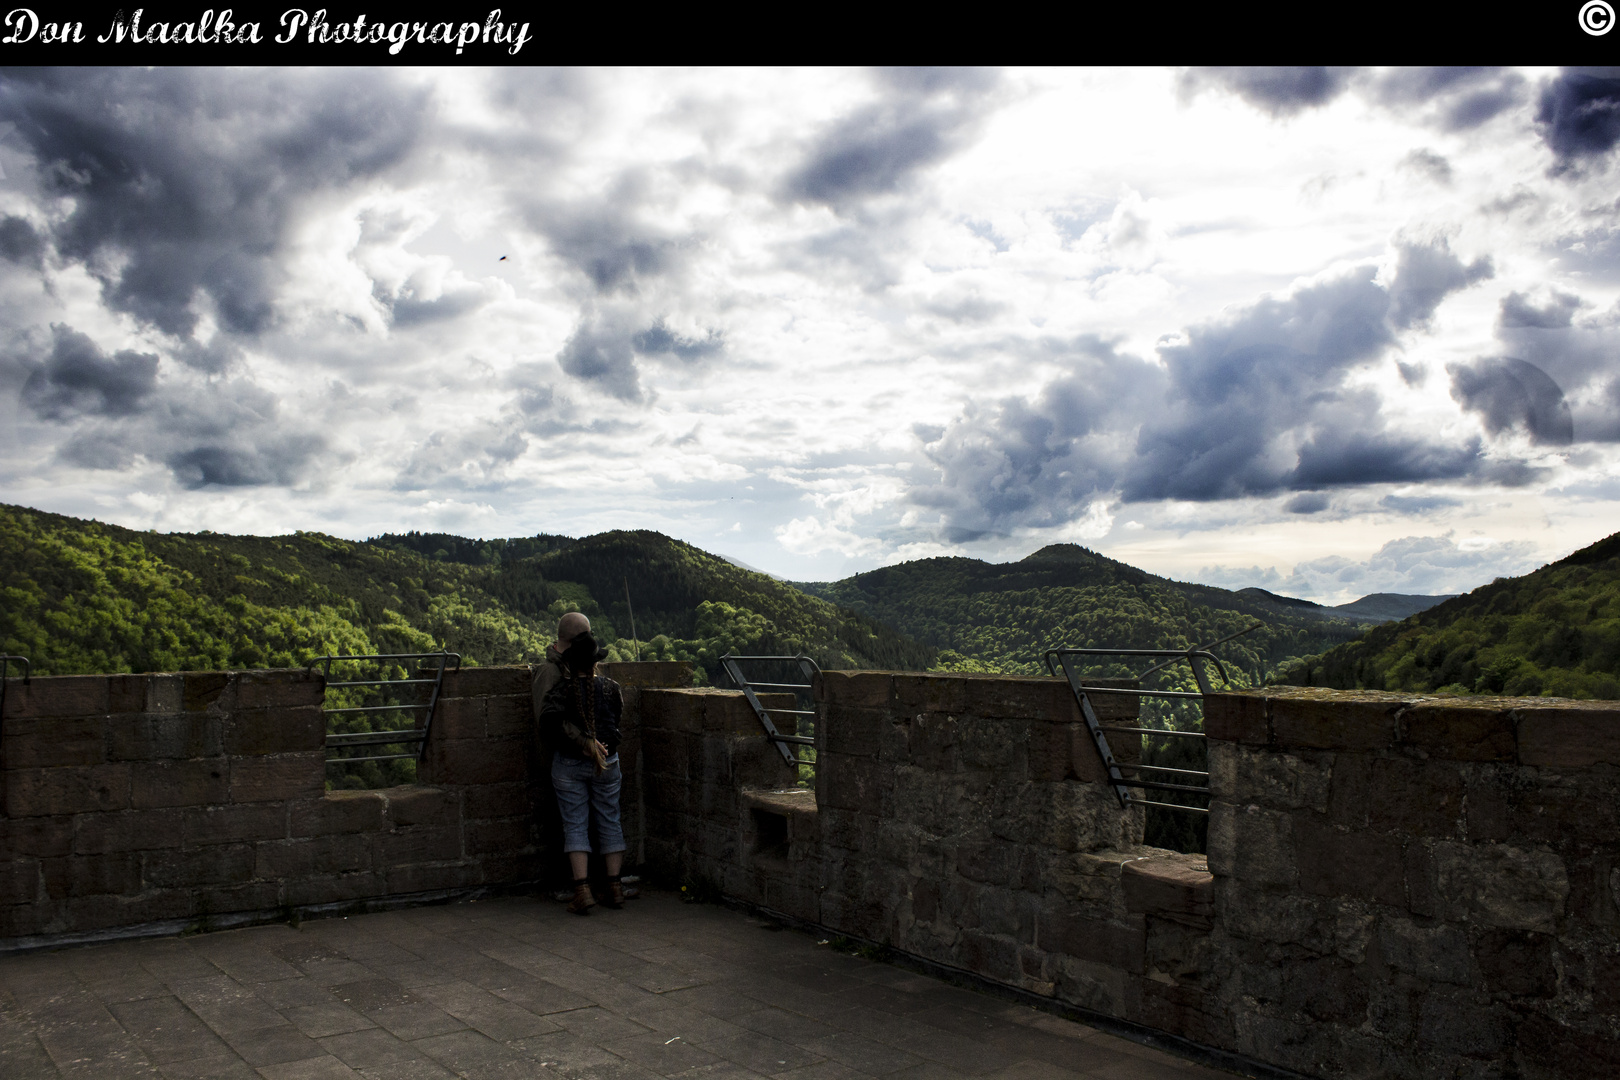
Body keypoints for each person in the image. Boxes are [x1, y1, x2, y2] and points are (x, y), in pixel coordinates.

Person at [539, 628, 627, 914]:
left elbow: (550, 721)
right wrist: (602, 746)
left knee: (575, 824)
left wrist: (583, 744)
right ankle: (615, 887)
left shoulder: (561, 690)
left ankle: (582, 891)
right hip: (608, 761)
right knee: (611, 820)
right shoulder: (612, 687)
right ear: (594, 662)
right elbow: (616, 723)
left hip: (569, 763)